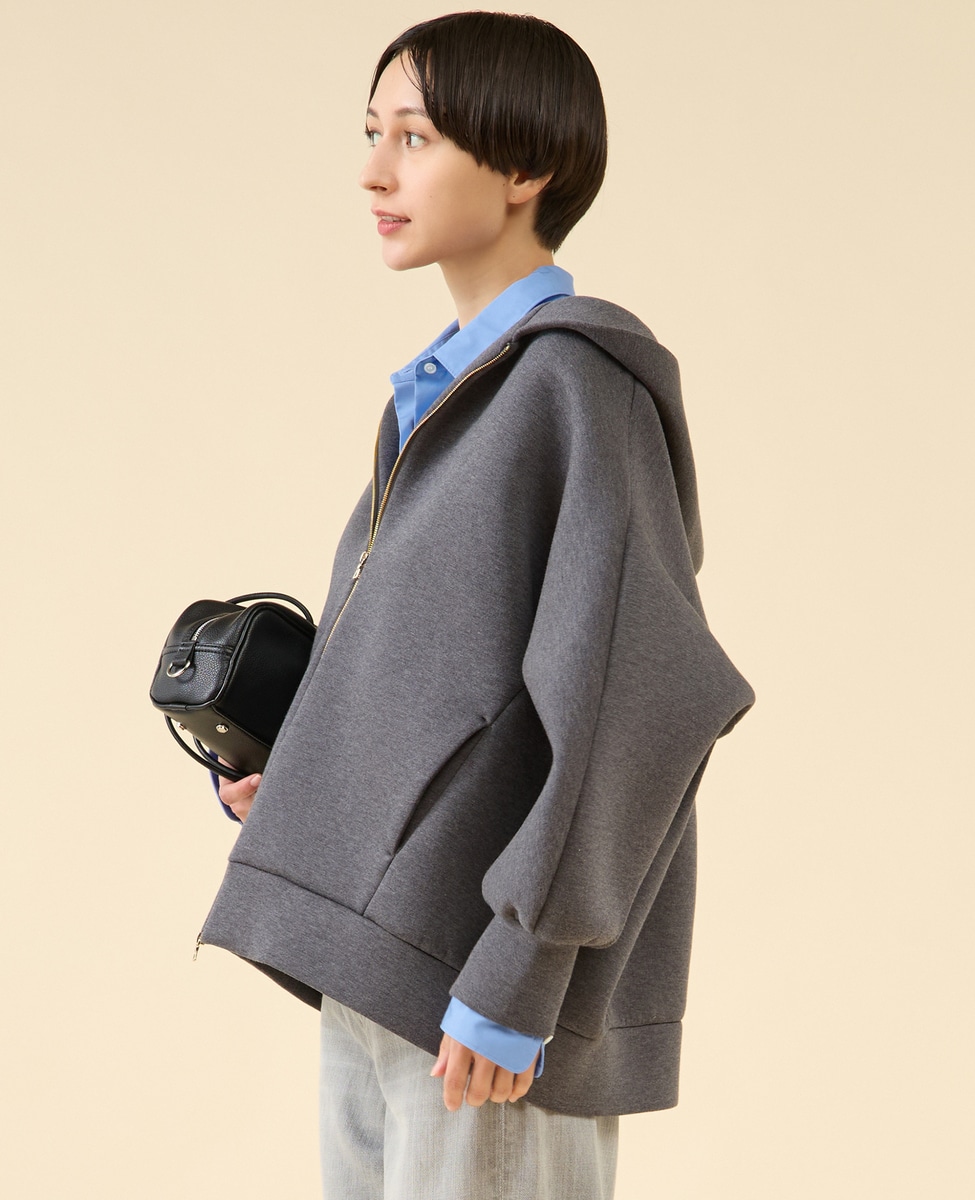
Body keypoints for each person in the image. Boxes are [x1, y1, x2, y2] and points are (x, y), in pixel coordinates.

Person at [200, 12, 754, 1199]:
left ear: (524, 168)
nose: (374, 172)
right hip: (382, 975)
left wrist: (520, 973)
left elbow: (634, 709)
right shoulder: (441, 396)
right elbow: (448, 687)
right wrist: (301, 781)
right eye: (370, 133)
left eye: (414, 137)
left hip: (480, 1000)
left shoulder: (578, 391)